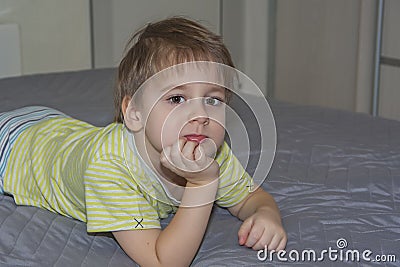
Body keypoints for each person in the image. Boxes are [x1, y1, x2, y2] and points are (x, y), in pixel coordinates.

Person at [0, 17, 286, 266]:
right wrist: (202, 184)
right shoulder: (110, 168)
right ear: (134, 113)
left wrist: (266, 214)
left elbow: (251, 197)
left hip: (56, 126)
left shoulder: (210, 150)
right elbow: (163, 260)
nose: (200, 114)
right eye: (177, 98)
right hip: (14, 148)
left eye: (213, 99)